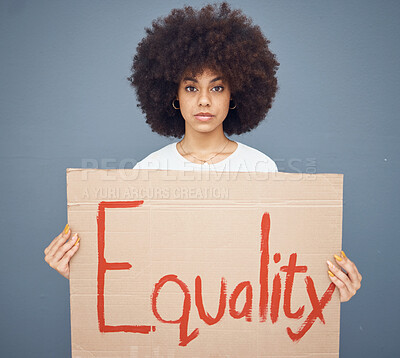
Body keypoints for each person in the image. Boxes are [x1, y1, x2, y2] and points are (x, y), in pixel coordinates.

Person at [44, 2, 361, 303]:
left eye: (218, 87)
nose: (205, 101)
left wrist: (329, 289)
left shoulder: (260, 167)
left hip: (238, 320)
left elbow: (276, 265)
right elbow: (135, 268)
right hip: (171, 324)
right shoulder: (148, 171)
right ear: (174, 95)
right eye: (192, 87)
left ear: (235, 94)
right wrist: (83, 272)